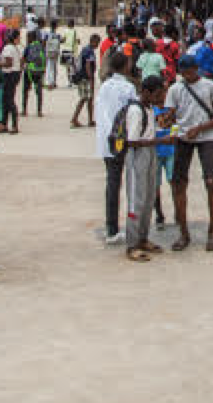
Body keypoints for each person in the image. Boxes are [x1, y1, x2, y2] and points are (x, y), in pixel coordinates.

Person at [166, 54, 213, 252]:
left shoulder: (210, 86)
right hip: (183, 138)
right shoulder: (175, 89)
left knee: (210, 181)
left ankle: (212, 230)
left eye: (189, 71)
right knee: (179, 184)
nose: (187, 75)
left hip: (204, 138)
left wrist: (199, 128)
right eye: (183, 71)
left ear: (196, 69)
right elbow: (171, 115)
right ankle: (183, 232)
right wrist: (167, 122)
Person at [121, 75, 167, 262]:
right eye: (158, 94)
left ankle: (143, 237)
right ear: (147, 92)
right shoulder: (136, 110)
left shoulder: (149, 109)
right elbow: (131, 141)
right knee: (136, 200)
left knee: (149, 197)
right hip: (137, 155)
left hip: (150, 153)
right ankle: (132, 244)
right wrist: (160, 140)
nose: (161, 97)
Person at [96, 51, 138, 246]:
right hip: (124, 139)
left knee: (112, 183)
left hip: (107, 140)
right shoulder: (128, 88)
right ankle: (128, 226)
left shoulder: (105, 87)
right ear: (126, 66)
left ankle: (111, 227)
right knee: (129, 182)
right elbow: (132, 113)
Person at [0, 29, 22, 134]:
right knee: (6, 100)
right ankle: (5, 124)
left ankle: (13, 125)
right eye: (18, 37)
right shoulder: (14, 48)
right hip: (14, 74)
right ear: (14, 38)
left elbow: (8, 63)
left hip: (9, 75)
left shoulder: (8, 48)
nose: (19, 39)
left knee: (9, 100)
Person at [70, 33, 100, 128]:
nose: (98, 45)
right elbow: (87, 65)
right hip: (85, 78)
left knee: (89, 99)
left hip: (83, 77)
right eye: (97, 43)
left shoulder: (85, 49)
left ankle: (90, 120)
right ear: (93, 41)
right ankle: (74, 118)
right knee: (84, 98)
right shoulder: (89, 51)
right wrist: (91, 78)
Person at [21, 29, 47, 118]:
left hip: (29, 71)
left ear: (31, 38)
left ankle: (24, 110)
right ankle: (39, 111)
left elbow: (23, 59)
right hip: (39, 71)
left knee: (25, 91)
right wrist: (44, 69)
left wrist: (22, 68)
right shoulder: (41, 46)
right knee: (39, 92)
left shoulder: (28, 47)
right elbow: (45, 58)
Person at [44, 20, 64, 89]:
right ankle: (52, 83)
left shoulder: (47, 34)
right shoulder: (57, 35)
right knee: (54, 67)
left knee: (49, 67)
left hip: (48, 52)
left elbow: (44, 42)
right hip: (55, 53)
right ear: (56, 27)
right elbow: (62, 41)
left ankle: (48, 82)